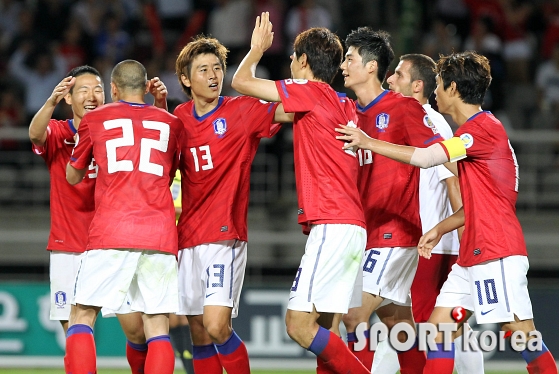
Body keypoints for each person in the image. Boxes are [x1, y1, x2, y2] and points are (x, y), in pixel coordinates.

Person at [336, 51, 558, 374]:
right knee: (438, 333)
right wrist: (441, 228)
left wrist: (369, 143)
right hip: (472, 257)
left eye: (438, 85)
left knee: (521, 336)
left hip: (495, 252)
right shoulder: (477, 133)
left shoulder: (478, 132)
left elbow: (428, 158)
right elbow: (480, 204)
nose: (435, 92)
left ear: (452, 88)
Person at [232, 13, 369, 374]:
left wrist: (256, 49)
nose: (290, 63)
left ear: (304, 62)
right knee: (327, 330)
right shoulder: (343, 104)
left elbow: (241, 81)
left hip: (333, 224)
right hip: (353, 226)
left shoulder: (307, 92)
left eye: (293, 57)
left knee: (298, 325)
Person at [173, 34, 292, 374]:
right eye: (203, 69)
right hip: (187, 237)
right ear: (185, 79)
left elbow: (287, 112)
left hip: (223, 235)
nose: (213, 76)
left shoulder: (240, 111)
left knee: (216, 326)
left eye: (217, 68)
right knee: (197, 331)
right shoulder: (177, 119)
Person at [65, 60, 183, 374]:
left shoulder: (96, 118)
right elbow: (170, 175)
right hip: (159, 232)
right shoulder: (171, 123)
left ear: (113, 89)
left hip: (111, 229)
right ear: (147, 87)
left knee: (82, 315)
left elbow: (74, 175)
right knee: (157, 325)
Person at [371, 53, 484, 374]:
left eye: (398, 76)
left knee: (413, 327)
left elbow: (454, 181)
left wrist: (464, 245)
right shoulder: (411, 117)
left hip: (433, 243)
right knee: (446, 329)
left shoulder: (427, 119)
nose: (390, 80)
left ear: (417, 86)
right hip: (432, 240)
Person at [338, 28, 441, 374]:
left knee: (354, 316)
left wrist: (373, 143)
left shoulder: (402, 108)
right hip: (365, 233)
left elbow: (438, 153)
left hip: (394, 231)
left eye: (349, 58)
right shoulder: (348, 113)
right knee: (400, 327)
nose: (343, 66)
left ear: (371, 67)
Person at [169, 169, 194, 374]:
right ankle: (189, 365)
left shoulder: (184, 169)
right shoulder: (166, 166)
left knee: (184, 314)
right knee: (173, 316)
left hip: (184, 241)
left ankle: (192, 367)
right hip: (164, 241)